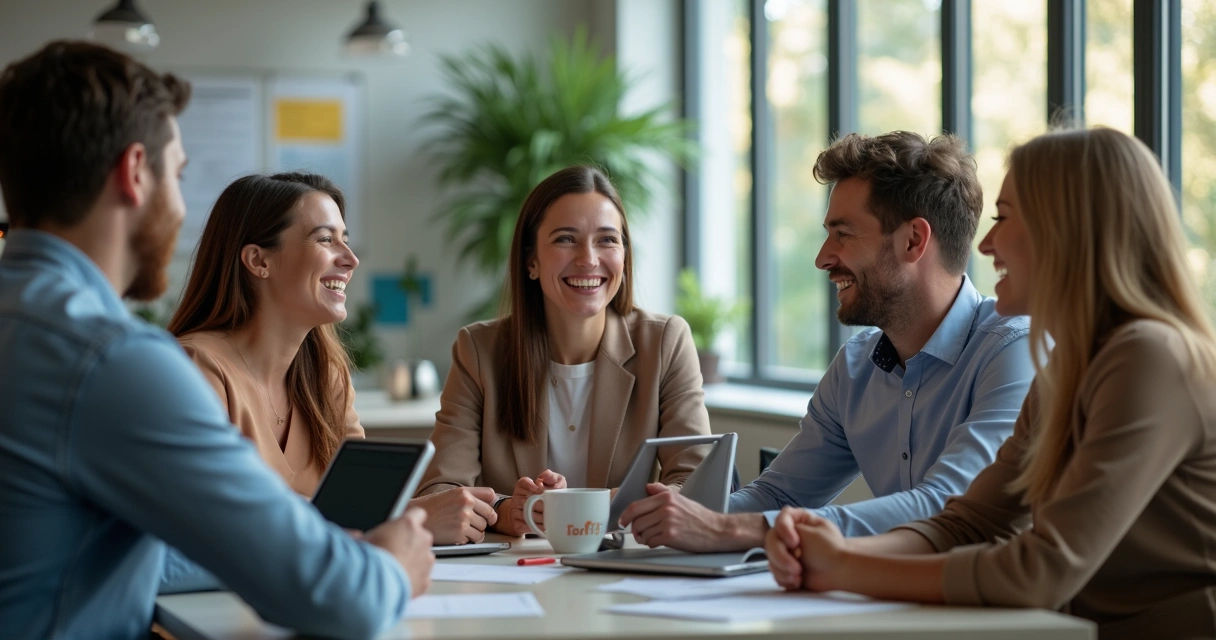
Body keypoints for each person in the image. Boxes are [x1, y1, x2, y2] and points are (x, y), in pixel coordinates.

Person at [0, 41, 432, 640]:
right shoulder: (110, 362)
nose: (182, 207)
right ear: (133, 173)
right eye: (178, 175)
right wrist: (392, 565)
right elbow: (335, 598)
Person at [766, 127, 1216, 640]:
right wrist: (836, 548)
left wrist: (845, 567)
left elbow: (1041, 570)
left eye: (1004, 218)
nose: (985, 243)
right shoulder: (1071, 368)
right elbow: (970, 523)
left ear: (1067, 229)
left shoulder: (1150, 357)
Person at [620, 131, 1035, 552]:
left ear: (913, 241)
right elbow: (778, 495)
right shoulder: (855, 368)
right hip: (893, 603)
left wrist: (735, 530)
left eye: (844, 234)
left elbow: (946, 507)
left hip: (994, 611)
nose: (822, 257)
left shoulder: (1014, 350)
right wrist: (681, 514)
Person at [168, 173, 497, 545]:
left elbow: (366, 506)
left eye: (346, 240)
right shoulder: (194, 367)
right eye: (325, 239)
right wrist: (414, 517)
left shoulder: (326, 376)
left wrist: (493, 509)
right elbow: (217, 520)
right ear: (258, 260)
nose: (351, 259)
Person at [417, 165, 713, 536]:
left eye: (607, 240)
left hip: (622, 573)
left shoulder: (666, 343)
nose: (589, 259)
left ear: (624, 255)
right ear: (531, 262)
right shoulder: (479, 350)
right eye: (565, 239)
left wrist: (573, 507)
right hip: (509, 574)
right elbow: (441, 491)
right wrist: (510, 510)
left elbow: (698, 488)